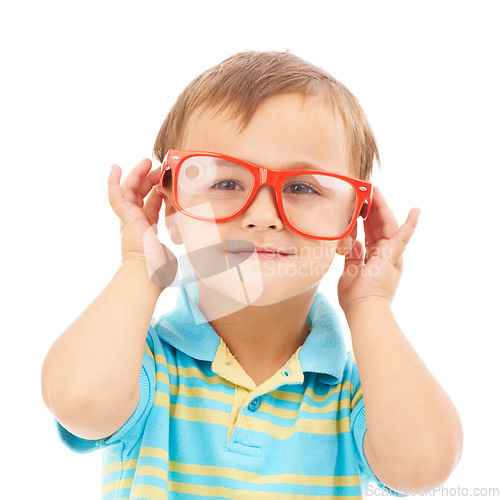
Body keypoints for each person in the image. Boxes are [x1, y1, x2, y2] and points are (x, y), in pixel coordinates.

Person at [41, 51, 462, 499]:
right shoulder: (146, 366)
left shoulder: (355, 394)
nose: (263, 216)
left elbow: (424, 467)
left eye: (302, 188)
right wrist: (141, 268)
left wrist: (369, 305)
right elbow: (78, 400)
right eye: (225, 183)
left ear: (351, 223)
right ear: (171, 209)